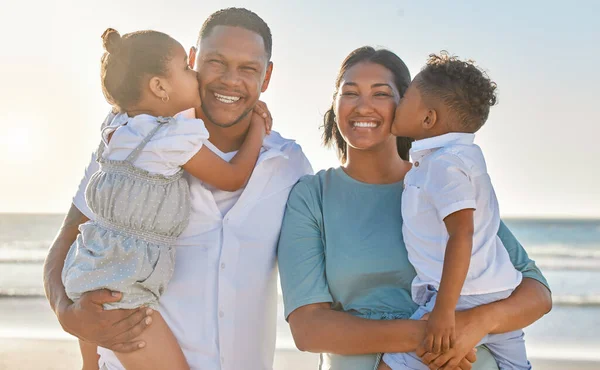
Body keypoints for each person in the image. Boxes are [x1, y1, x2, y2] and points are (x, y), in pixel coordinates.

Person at [43, 8, 312, 370]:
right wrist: (67, 313)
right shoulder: (130, 142)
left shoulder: (289, 165)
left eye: (248, 68)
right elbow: (69, 241)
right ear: (192, 60)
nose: (230, 81)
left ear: (267, 77)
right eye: (216, 62)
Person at [277, 46, 552, 370]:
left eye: (380, 94)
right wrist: (433, 334)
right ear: (334, 105)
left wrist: (475, 324)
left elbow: (536, 292)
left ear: (410, 105)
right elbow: (309, 330)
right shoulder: (312, 197)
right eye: (349, 92)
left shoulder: (440, 182)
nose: (363, 105)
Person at [380, 52, 529, 370]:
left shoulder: (443, 164)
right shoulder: (464, 155)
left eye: (405, 97)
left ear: (428, 119)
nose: (397, 103)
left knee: (392, 365)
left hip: (462, 297)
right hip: (498, 289)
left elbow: (462, 233)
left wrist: (445, 312)